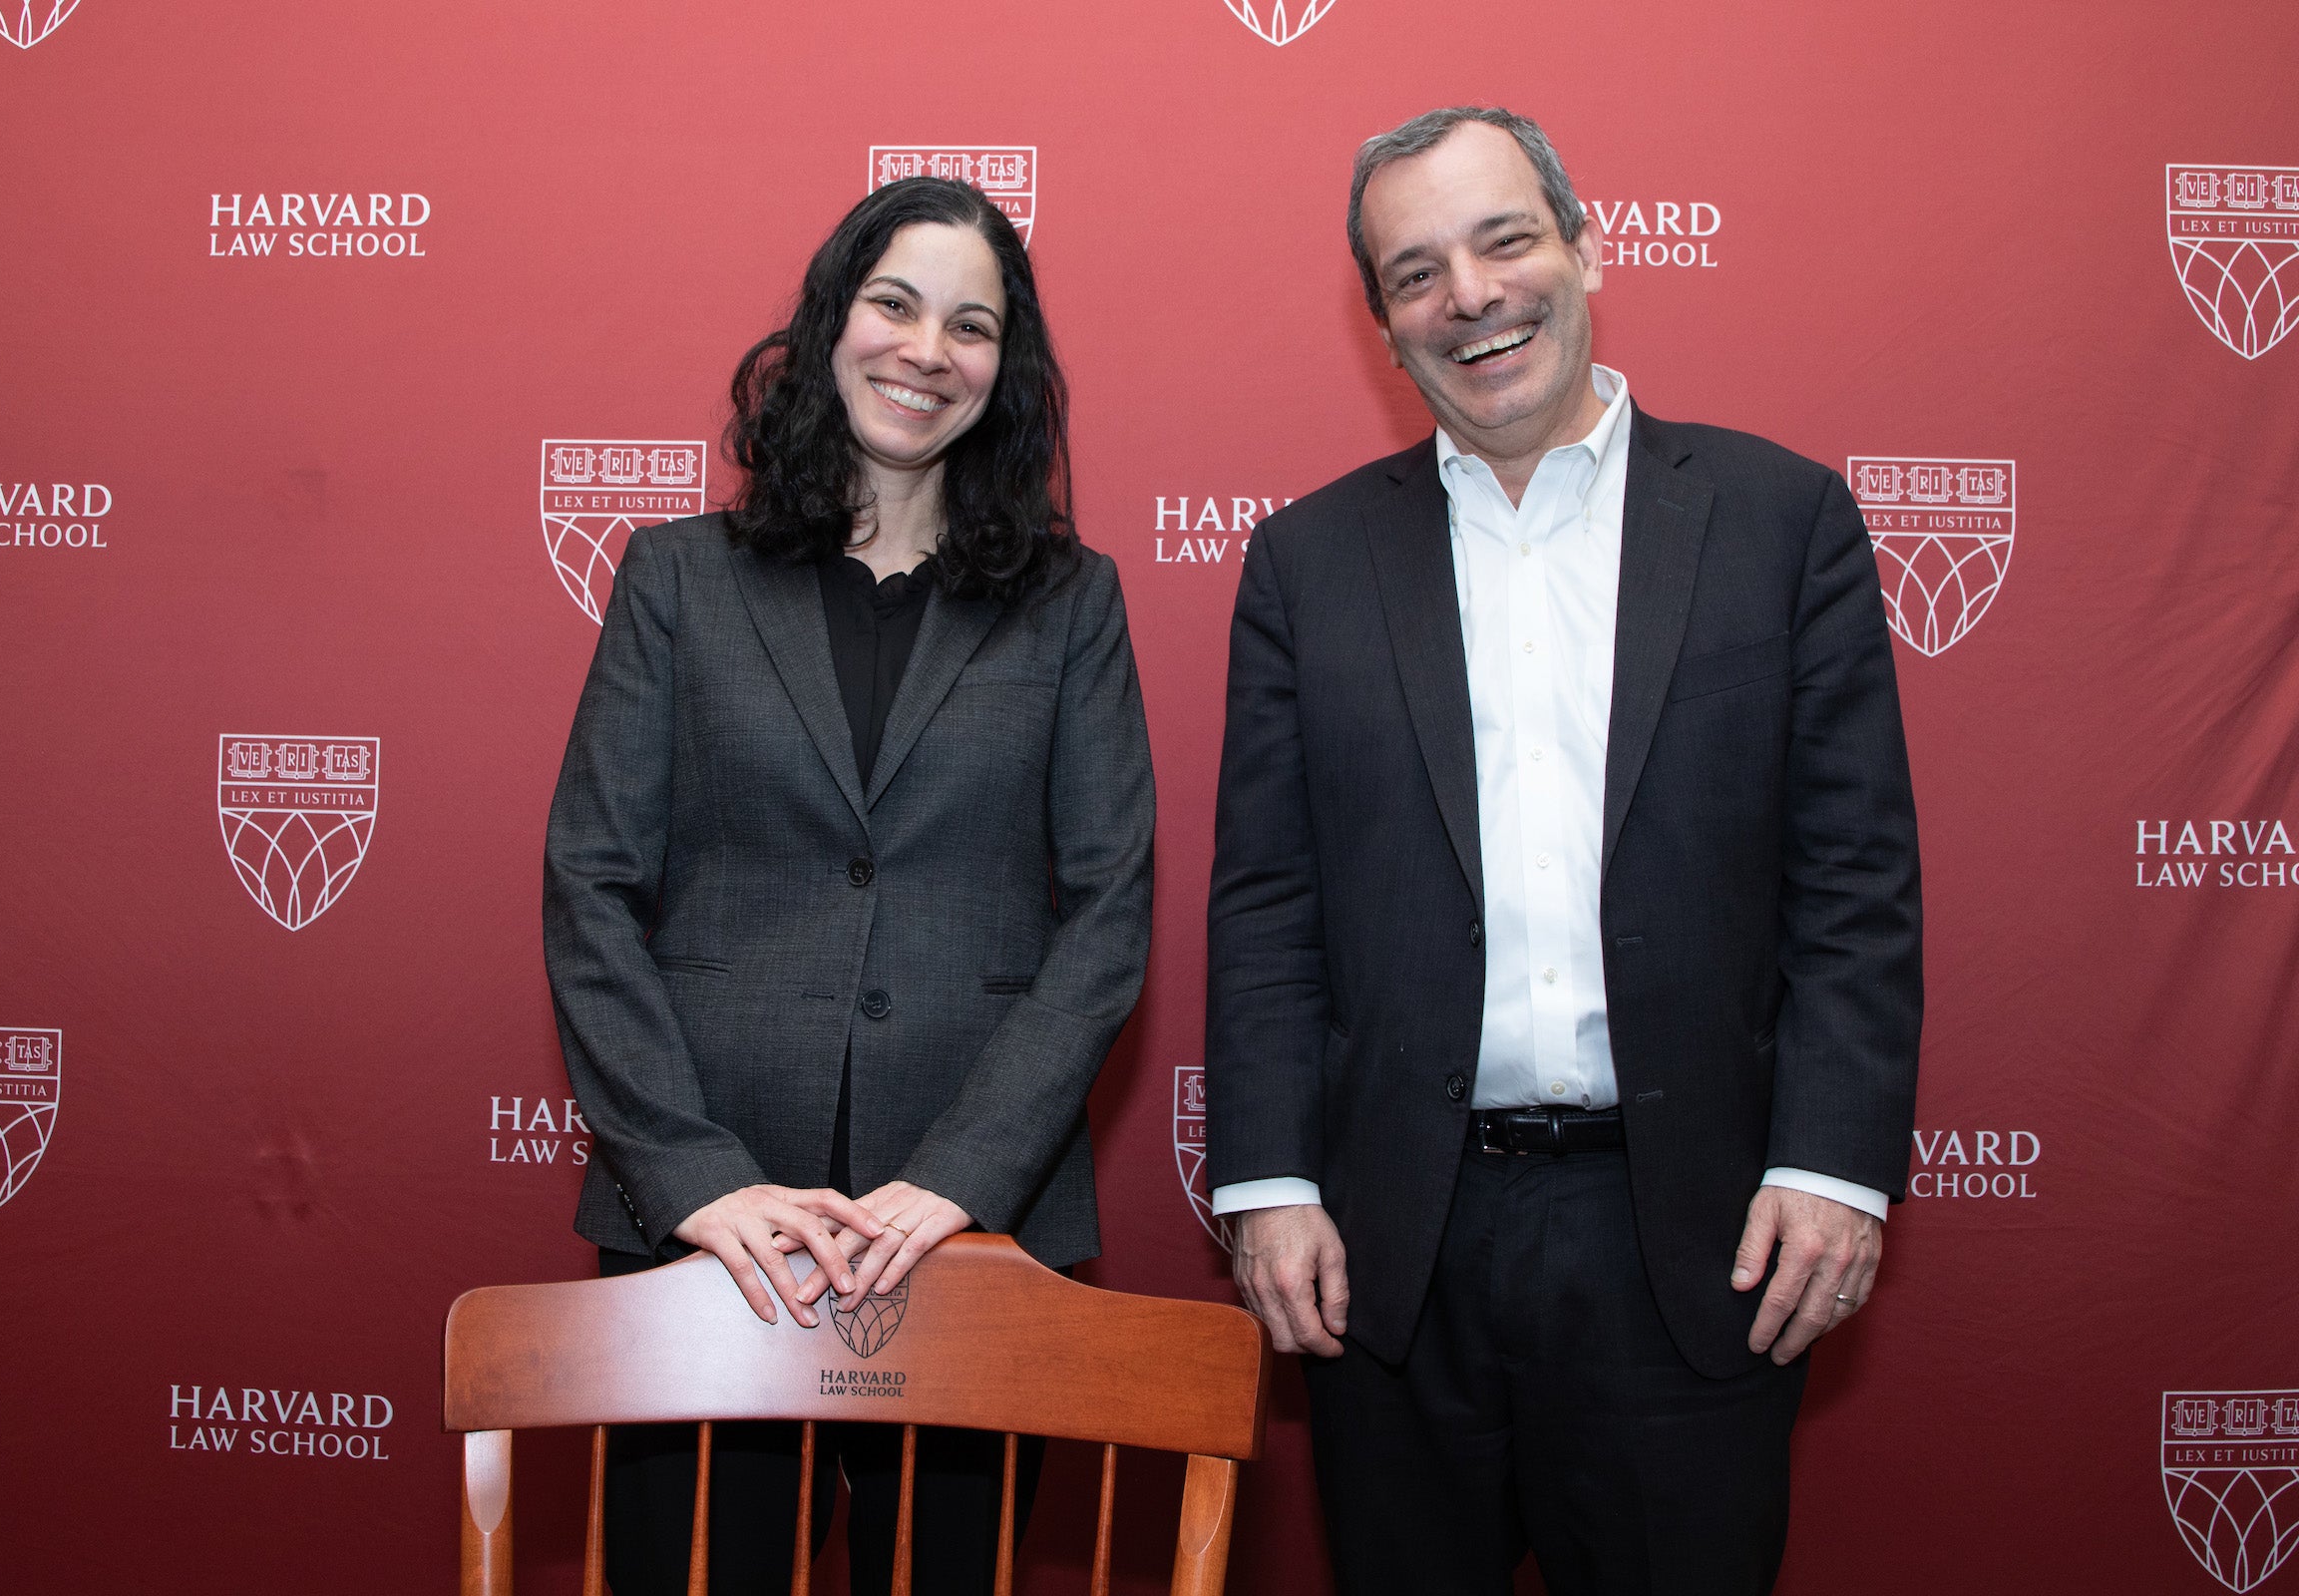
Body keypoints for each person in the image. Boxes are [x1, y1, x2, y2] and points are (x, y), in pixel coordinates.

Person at [1204, 108, 1921, 1595]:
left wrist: (1837, 1172)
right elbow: (1270, 903)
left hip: (1696, 1243)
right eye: (1416, 271)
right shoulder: (1306, 562)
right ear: (1384, 323)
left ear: (1587, 249)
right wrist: (1268, 1179)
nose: (1469, 294)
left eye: (1504, 239)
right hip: (1394, 1257)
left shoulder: (1784, 524)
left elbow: (1853, 885)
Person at [543, 176, 1154, 1595]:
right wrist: (697, 1185)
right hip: (706, 1244)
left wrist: (958, 1184)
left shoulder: (1072, 603)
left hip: (977, 1241)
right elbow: (592, 887)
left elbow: (1108, 912)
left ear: (1010, 374)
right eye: (895, 303)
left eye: (973, 325)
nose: (926, 350)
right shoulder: (677, 581)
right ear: (831, 323)